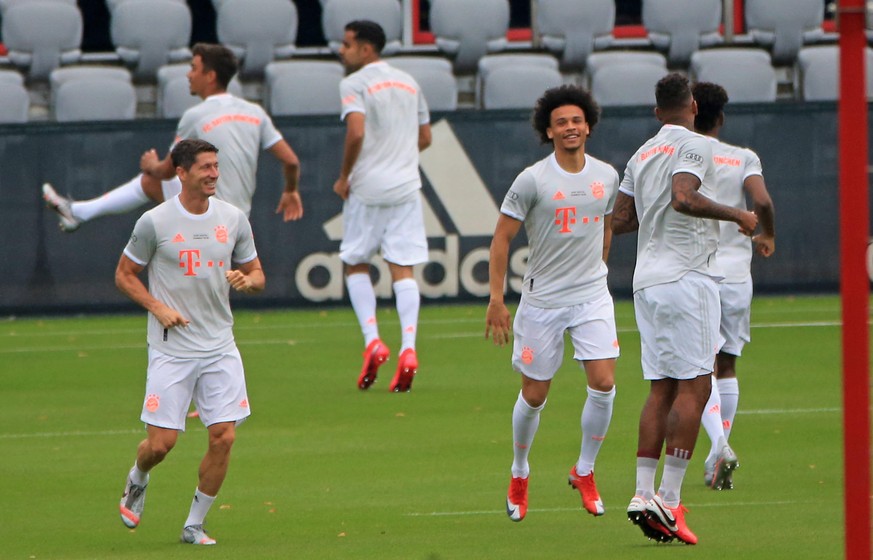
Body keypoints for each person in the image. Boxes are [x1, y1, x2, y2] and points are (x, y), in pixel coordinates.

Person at [610, 73, 757, 545]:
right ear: (693, 106)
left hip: (646, 282)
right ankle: (671, 501)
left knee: (661, 388)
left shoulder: (640, 154)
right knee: (696, 384)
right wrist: (738, 215)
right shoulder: (695, 145)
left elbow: (621, 220)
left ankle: (641, 493)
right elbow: (684, 197)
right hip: (687, 278)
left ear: (657, 113)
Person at [115, 138, 265, 545]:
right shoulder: (155, 222)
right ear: (181, 173)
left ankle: (194, 524)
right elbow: (125, 274)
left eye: (216, 165)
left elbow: (257, 273)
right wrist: (157, 307)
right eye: (205, 167)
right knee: (161, 445)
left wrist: (246, 281)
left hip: (220, 346)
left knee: (225, 436)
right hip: (172, 348)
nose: (214, 173)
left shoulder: (232, 218)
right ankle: (138, 476)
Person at [486, 85, 619, 522]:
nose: (570, 128)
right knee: (535, 393)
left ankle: (584, 470)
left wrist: (598, 267)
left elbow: (606, 224)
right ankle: (520, 472)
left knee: (603, 382)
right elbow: (501, 239)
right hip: (542, 300)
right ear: (549, 130)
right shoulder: (533, 179)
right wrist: (496, 300)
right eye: (561, 122)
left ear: (589, 126)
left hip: (591, 296)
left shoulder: (606, 176)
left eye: (577, 121)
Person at [42, 42, 302, 230]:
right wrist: (290, 190)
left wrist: (151, 164)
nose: (189, 74)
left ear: (210, 76)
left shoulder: (196, 116)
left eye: (194, 68)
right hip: (238, 219)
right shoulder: (254, 111)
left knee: (152, 179)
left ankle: (78, 212)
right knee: (150, 183)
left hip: (210, 219)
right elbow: (291, 161)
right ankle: (77, 212)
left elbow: (166, 170)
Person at [332, 20, 431, 392]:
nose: (342, 51)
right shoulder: (409, 81)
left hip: (368, 187)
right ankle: (408, 347)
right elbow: (425, 136)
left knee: (355, 261)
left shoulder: (353, 83)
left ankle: (373, 340)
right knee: (402, 268)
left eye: (347, 44)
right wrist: (400, 157)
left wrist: (344, 176)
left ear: (366, 49)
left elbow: (356, 131)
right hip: (406, 186)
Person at [692, 81, 776, 491]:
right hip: (737, 277)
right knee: (726, 365)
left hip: (697, 273)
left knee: (698, 368)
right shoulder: (743, 157)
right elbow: (763, 202)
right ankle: (719, 448)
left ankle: (718, 445)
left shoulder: (682, 157)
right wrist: (768, 236)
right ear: (721, 118)